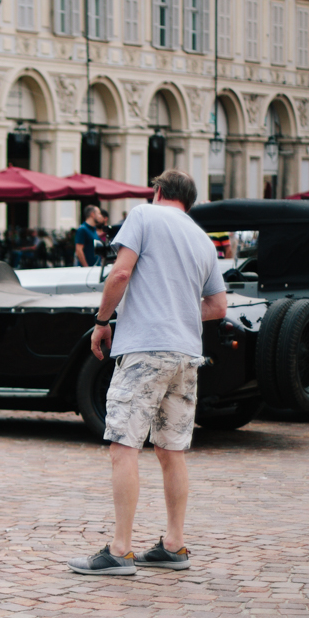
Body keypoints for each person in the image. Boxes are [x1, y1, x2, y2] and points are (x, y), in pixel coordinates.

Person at [68, 168, 228, 578]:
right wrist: (177, 310)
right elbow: (218, 306)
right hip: (185, 354)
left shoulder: (144, 215)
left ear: (157, 191)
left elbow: (121, 273)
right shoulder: (201, 238)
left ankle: (121, 550)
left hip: (145, 349)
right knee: (171, 450)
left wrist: (103, 321)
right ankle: (174, 544)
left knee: (123, 444)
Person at [74, 204, 107, 268]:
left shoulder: (94, 229)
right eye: (99, 213)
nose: (100, 216)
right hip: (87, 270)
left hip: (95, 268)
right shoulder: (82, 229)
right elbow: (79, 250)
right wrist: (86, 267)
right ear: (92, 214)